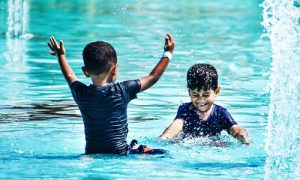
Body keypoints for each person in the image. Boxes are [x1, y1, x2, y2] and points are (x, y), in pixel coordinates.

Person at [48, 34, 175, 154]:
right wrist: (168, 53)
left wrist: (61, 56)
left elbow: (70, 76)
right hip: (121, 153)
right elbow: (153, 77)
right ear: (114, 69)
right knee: (163, 153)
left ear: (85, 71)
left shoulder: (81, 93)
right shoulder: (122, 90)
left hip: (91, 153)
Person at [160, 63, 250, 144]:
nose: (201, 100)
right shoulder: (186, 109)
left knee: (220, 145)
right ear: (189, 93)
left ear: (217, 91)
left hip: (213, 147)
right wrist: (164, 139)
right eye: (195, 94)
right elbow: (177, 125)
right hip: (189, 146)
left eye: (206, 95)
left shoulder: (220, 113)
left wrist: (242, 137)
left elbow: (235, 129)